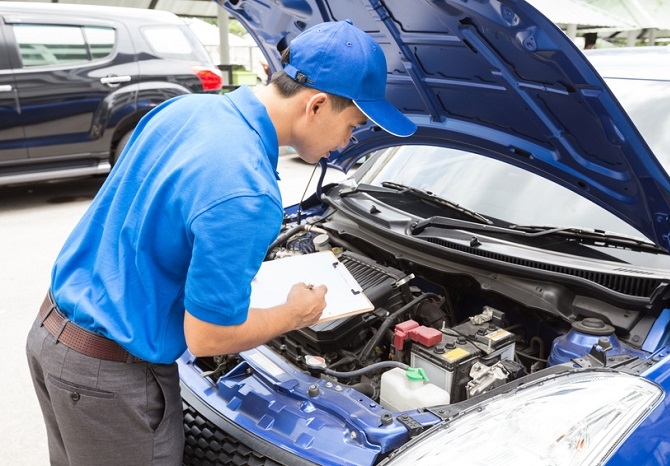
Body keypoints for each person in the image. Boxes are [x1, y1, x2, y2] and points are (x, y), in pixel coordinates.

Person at [25, 19, 416, 466]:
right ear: (318, 105)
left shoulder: (186, 109)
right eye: (354, 124)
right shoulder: (248, 190)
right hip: (109, 378)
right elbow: (209, 337)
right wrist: (295, 313)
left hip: (54, 338)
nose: (350, 141)